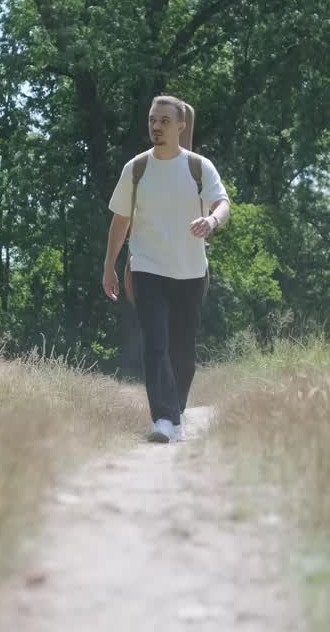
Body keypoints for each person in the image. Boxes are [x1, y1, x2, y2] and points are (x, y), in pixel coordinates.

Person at [102, 95, 231, 443]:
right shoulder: (137, 169)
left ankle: (176, 412)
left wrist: (211, 221)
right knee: (155, 342)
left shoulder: (199, 167)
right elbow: (121, 219)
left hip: (190, 271)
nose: (155, 126)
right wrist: (109, 266)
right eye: (151, 120)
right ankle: (163, 419)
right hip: (147, 267)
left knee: (183, 351)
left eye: (163, 120)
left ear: (180, 126)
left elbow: (222, 204)